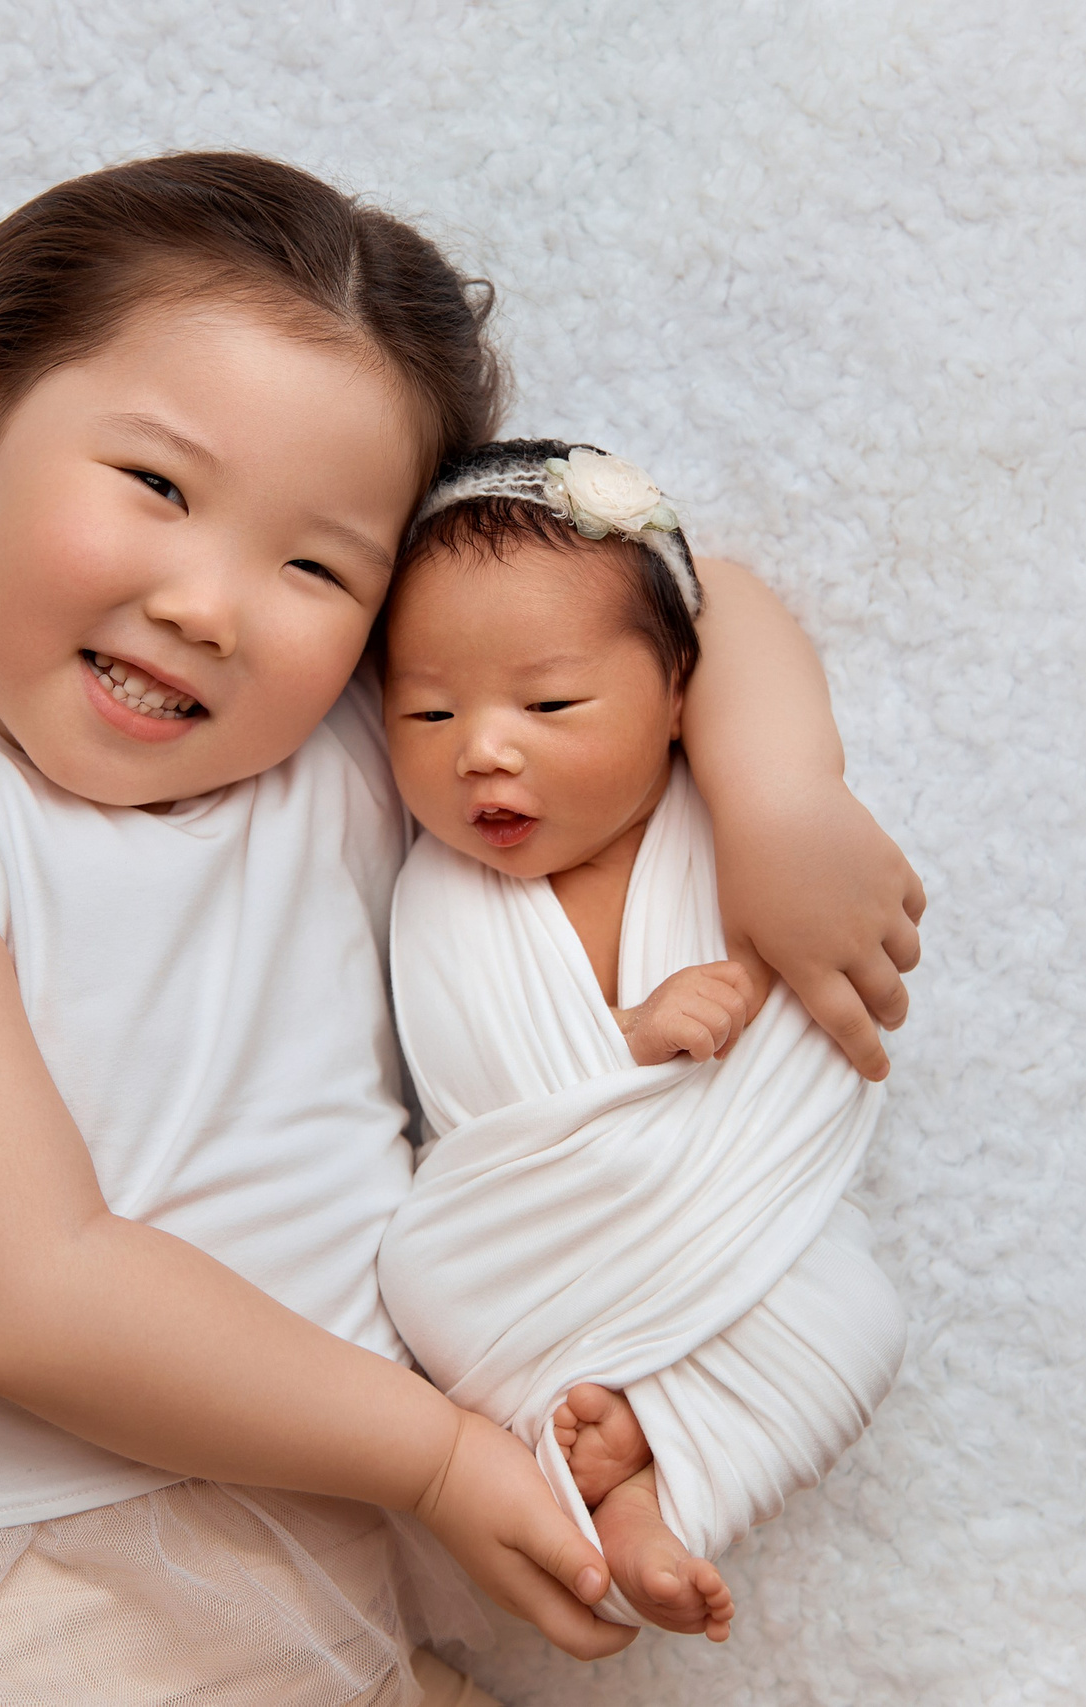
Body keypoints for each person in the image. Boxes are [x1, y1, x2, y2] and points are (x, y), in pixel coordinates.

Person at [0, 156, 923, 1703]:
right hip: (16, 1597)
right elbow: (32, 1292)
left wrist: (776, 797)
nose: (212, 605)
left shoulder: (350, 747)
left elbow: (683, 590)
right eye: (156, 486)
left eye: (316, 564)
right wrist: (435, 1457)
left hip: (315, 1561)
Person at [375, 442, 911, 1647]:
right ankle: (617, 1454)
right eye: (427, 711)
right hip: (527, 1233)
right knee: (427, 1288)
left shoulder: (714, 821)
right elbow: (494, 1103)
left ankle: (651, 1482)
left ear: (678, 699)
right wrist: (627, 1038)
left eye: (550, 705)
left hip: (728, 1198)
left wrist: (784, 805)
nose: (483, 750)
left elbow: (795, 992)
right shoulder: (444, 902)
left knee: (855, 1327)